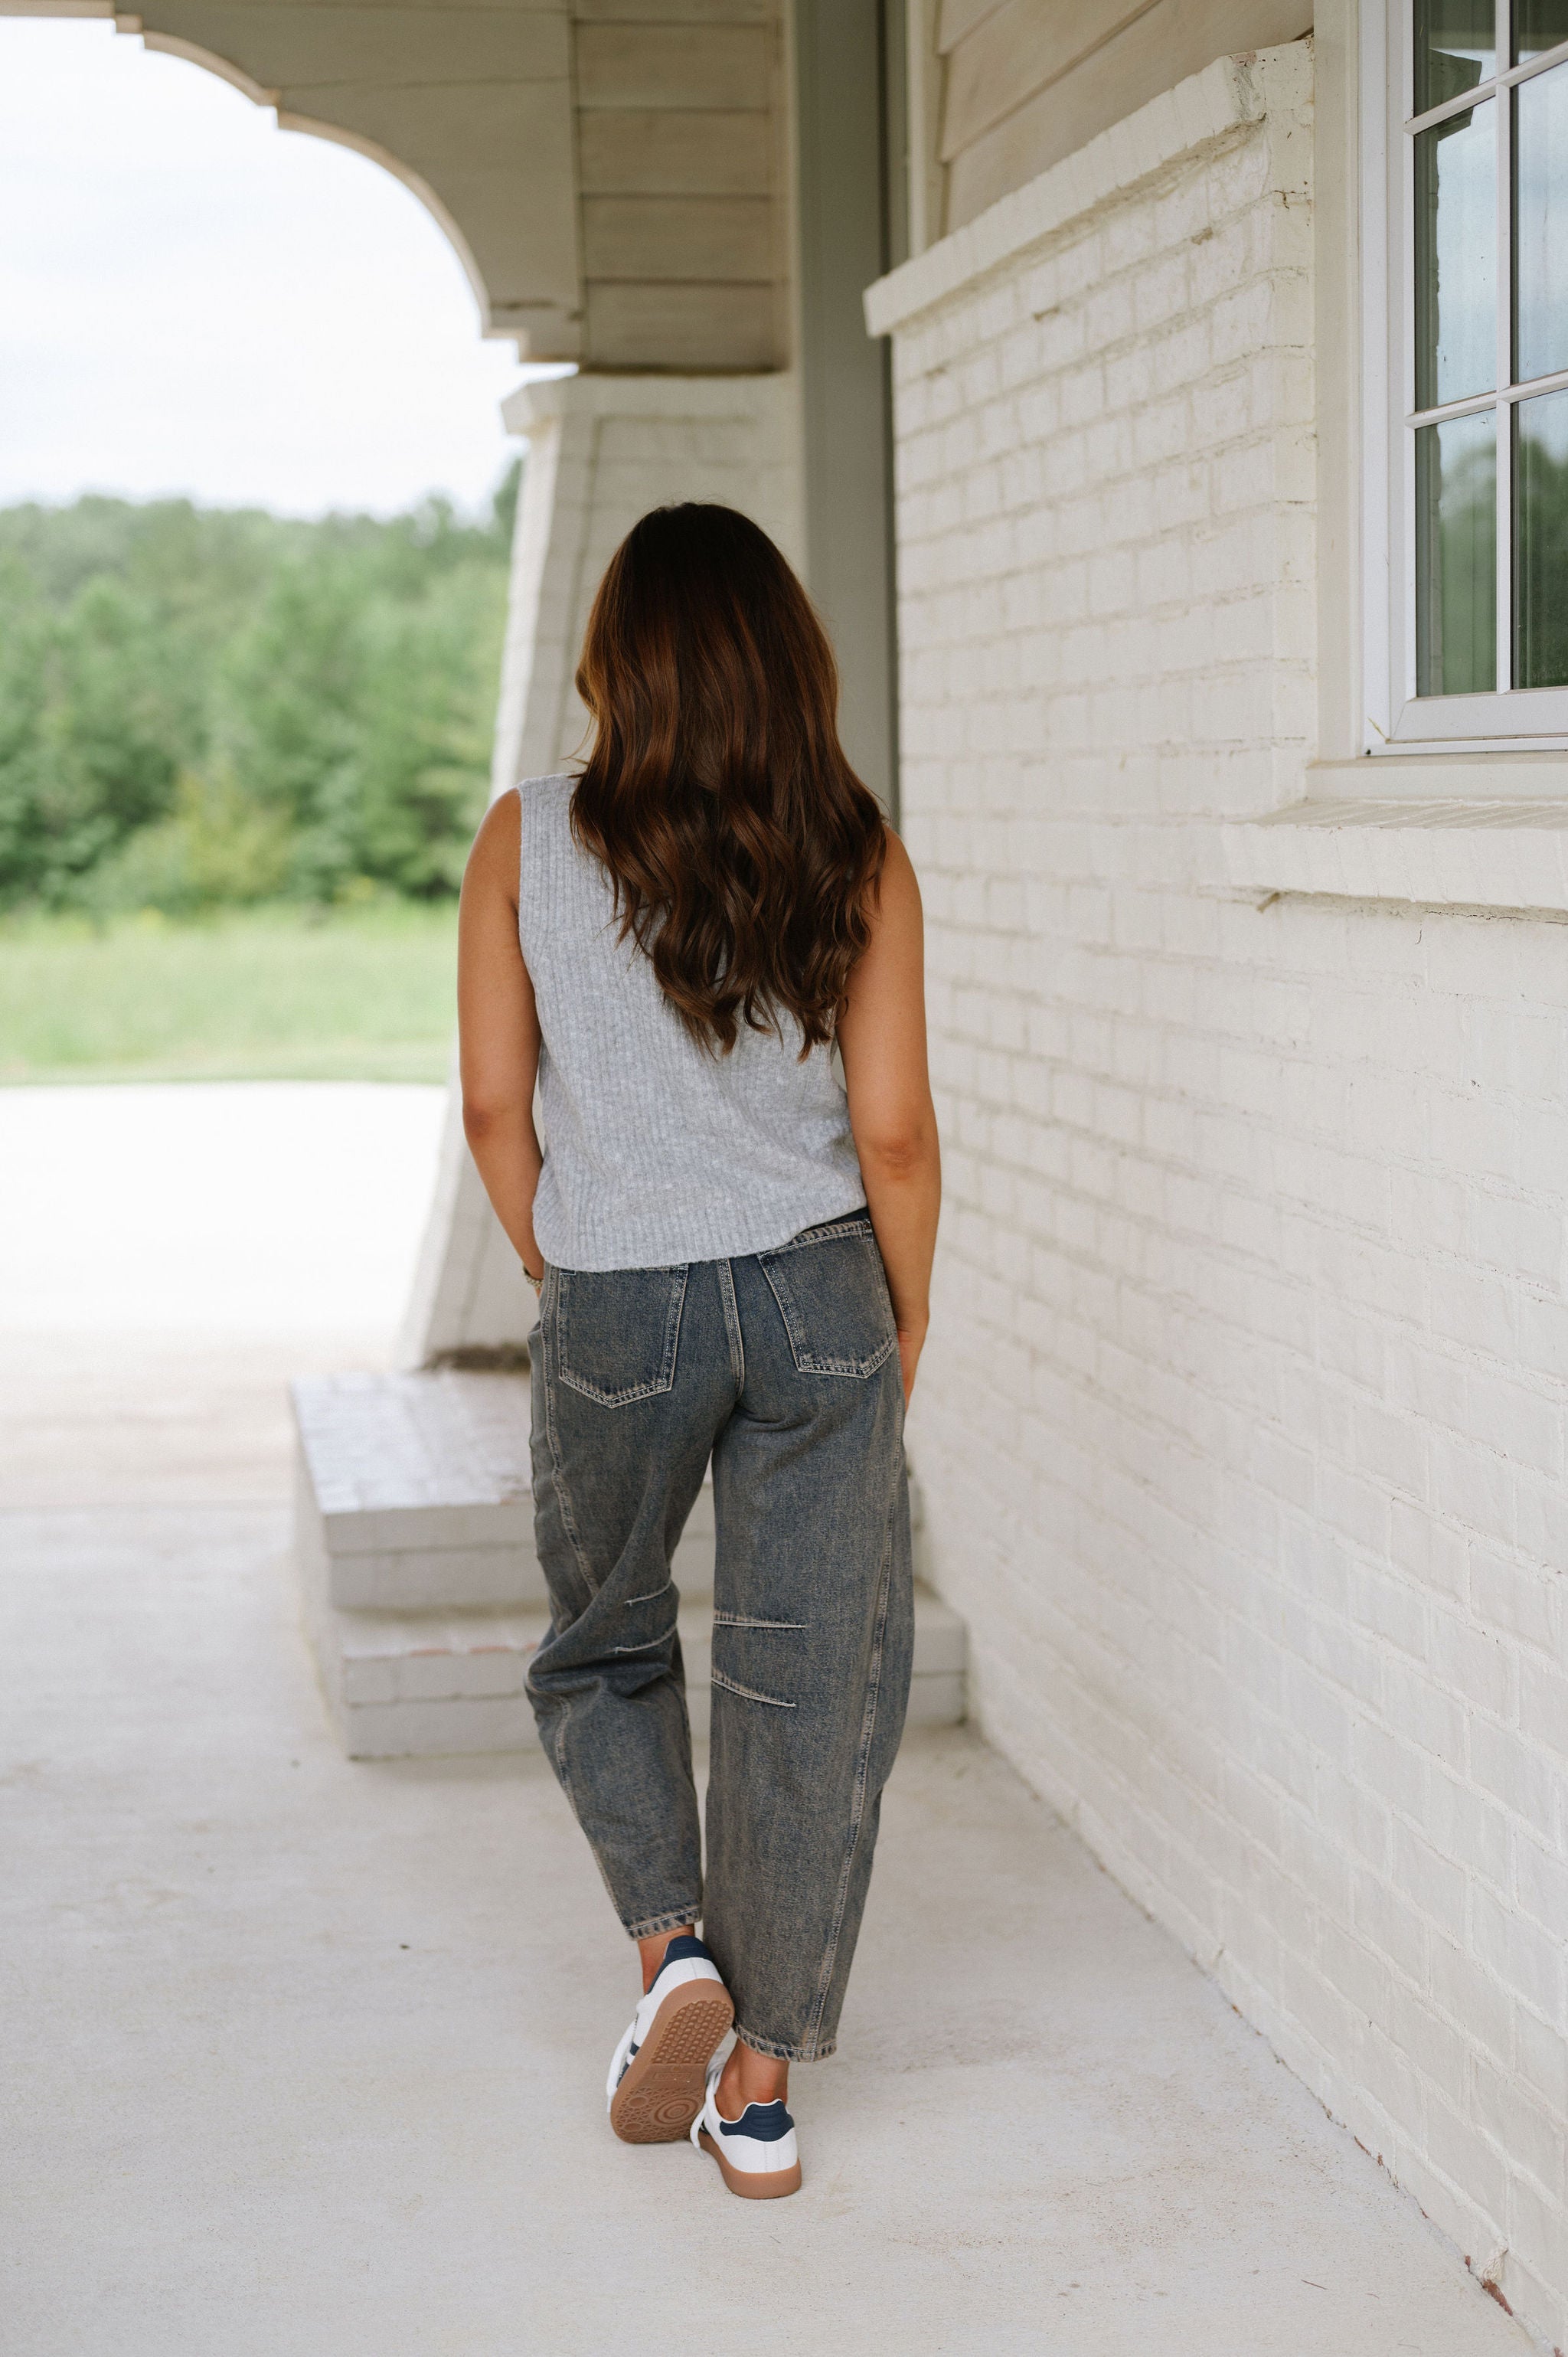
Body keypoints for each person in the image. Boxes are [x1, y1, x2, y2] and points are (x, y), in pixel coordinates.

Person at [456, 502, 940, 2201]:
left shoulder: (529, 835)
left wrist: (555, 1252)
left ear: (618, 663)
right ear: (782, 660)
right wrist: (906, 1309)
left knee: (604, 1639)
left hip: (617, 1298)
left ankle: (673, 1951)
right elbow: (891, 1133)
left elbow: (495, 1104)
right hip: (818, 1289)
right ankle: (756, 2089)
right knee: (815, 1681)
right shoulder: (854, 842)